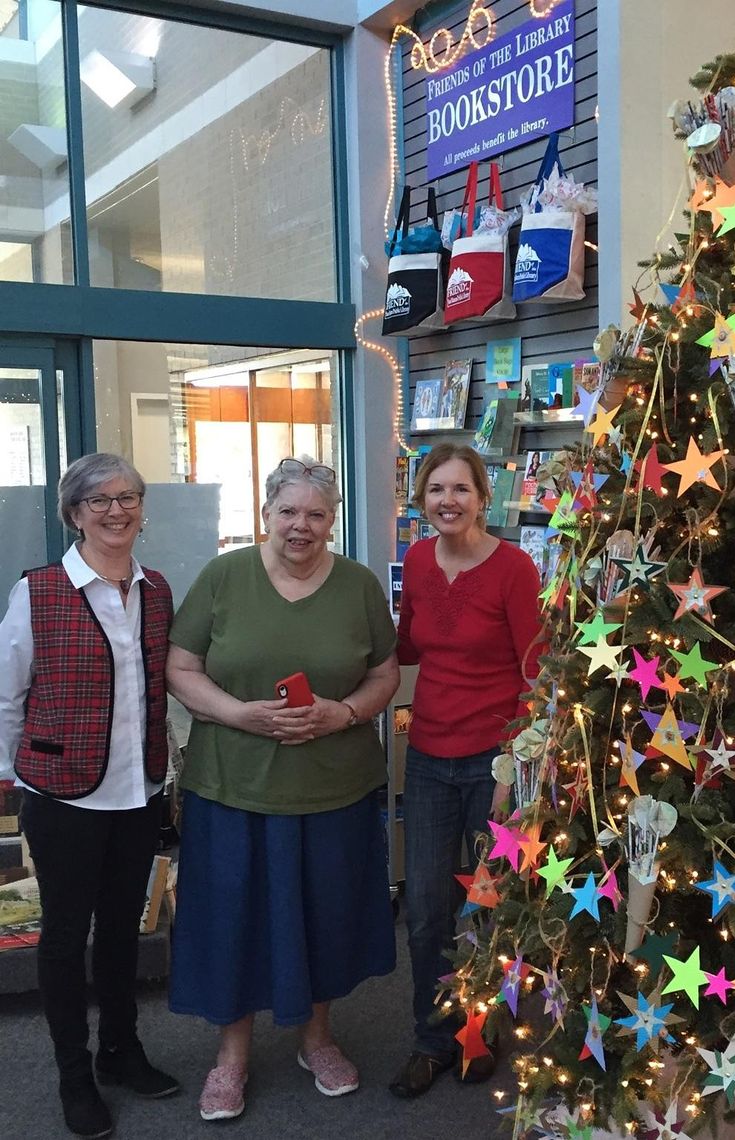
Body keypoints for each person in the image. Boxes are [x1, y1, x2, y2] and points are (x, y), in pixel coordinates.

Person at [165, 456, 400, 1122]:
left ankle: (316, 1038)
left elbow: (383, 676)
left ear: (333, 520)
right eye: (288, 511)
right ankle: (231, 1058)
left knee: (324, 914)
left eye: (316, 515)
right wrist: (236, 713)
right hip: (232, 785)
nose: (301, 526)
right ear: (266, 511)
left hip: (334, 787)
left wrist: (345, 713)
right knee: (232, 917)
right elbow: (180, 668)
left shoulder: (357, 586)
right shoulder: (223, 577)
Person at [0, 453, 179, 1140]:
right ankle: (74, 1075)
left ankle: (120, 1052)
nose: (116, 510)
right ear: (74, 512)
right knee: (65, 937)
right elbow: (7, 695)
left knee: (123, 935)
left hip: (138, 791)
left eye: (128, 496)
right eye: (99, 500)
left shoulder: (155, 589)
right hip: (63, 796)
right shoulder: (39, 591)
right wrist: (21, 777)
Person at [388, 443, 542, 1099]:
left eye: (460, 489)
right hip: (427, 756)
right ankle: (432, 1038)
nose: (447, 501)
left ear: (483, 497)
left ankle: (478, 1033)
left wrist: (514, 765)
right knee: (425, 908)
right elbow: (406, 644)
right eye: (434, 491)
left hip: (493, 764)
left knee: (486, 908)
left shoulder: (514, 568)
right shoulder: (418, 560)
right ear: (421, 501)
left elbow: (536, 676)